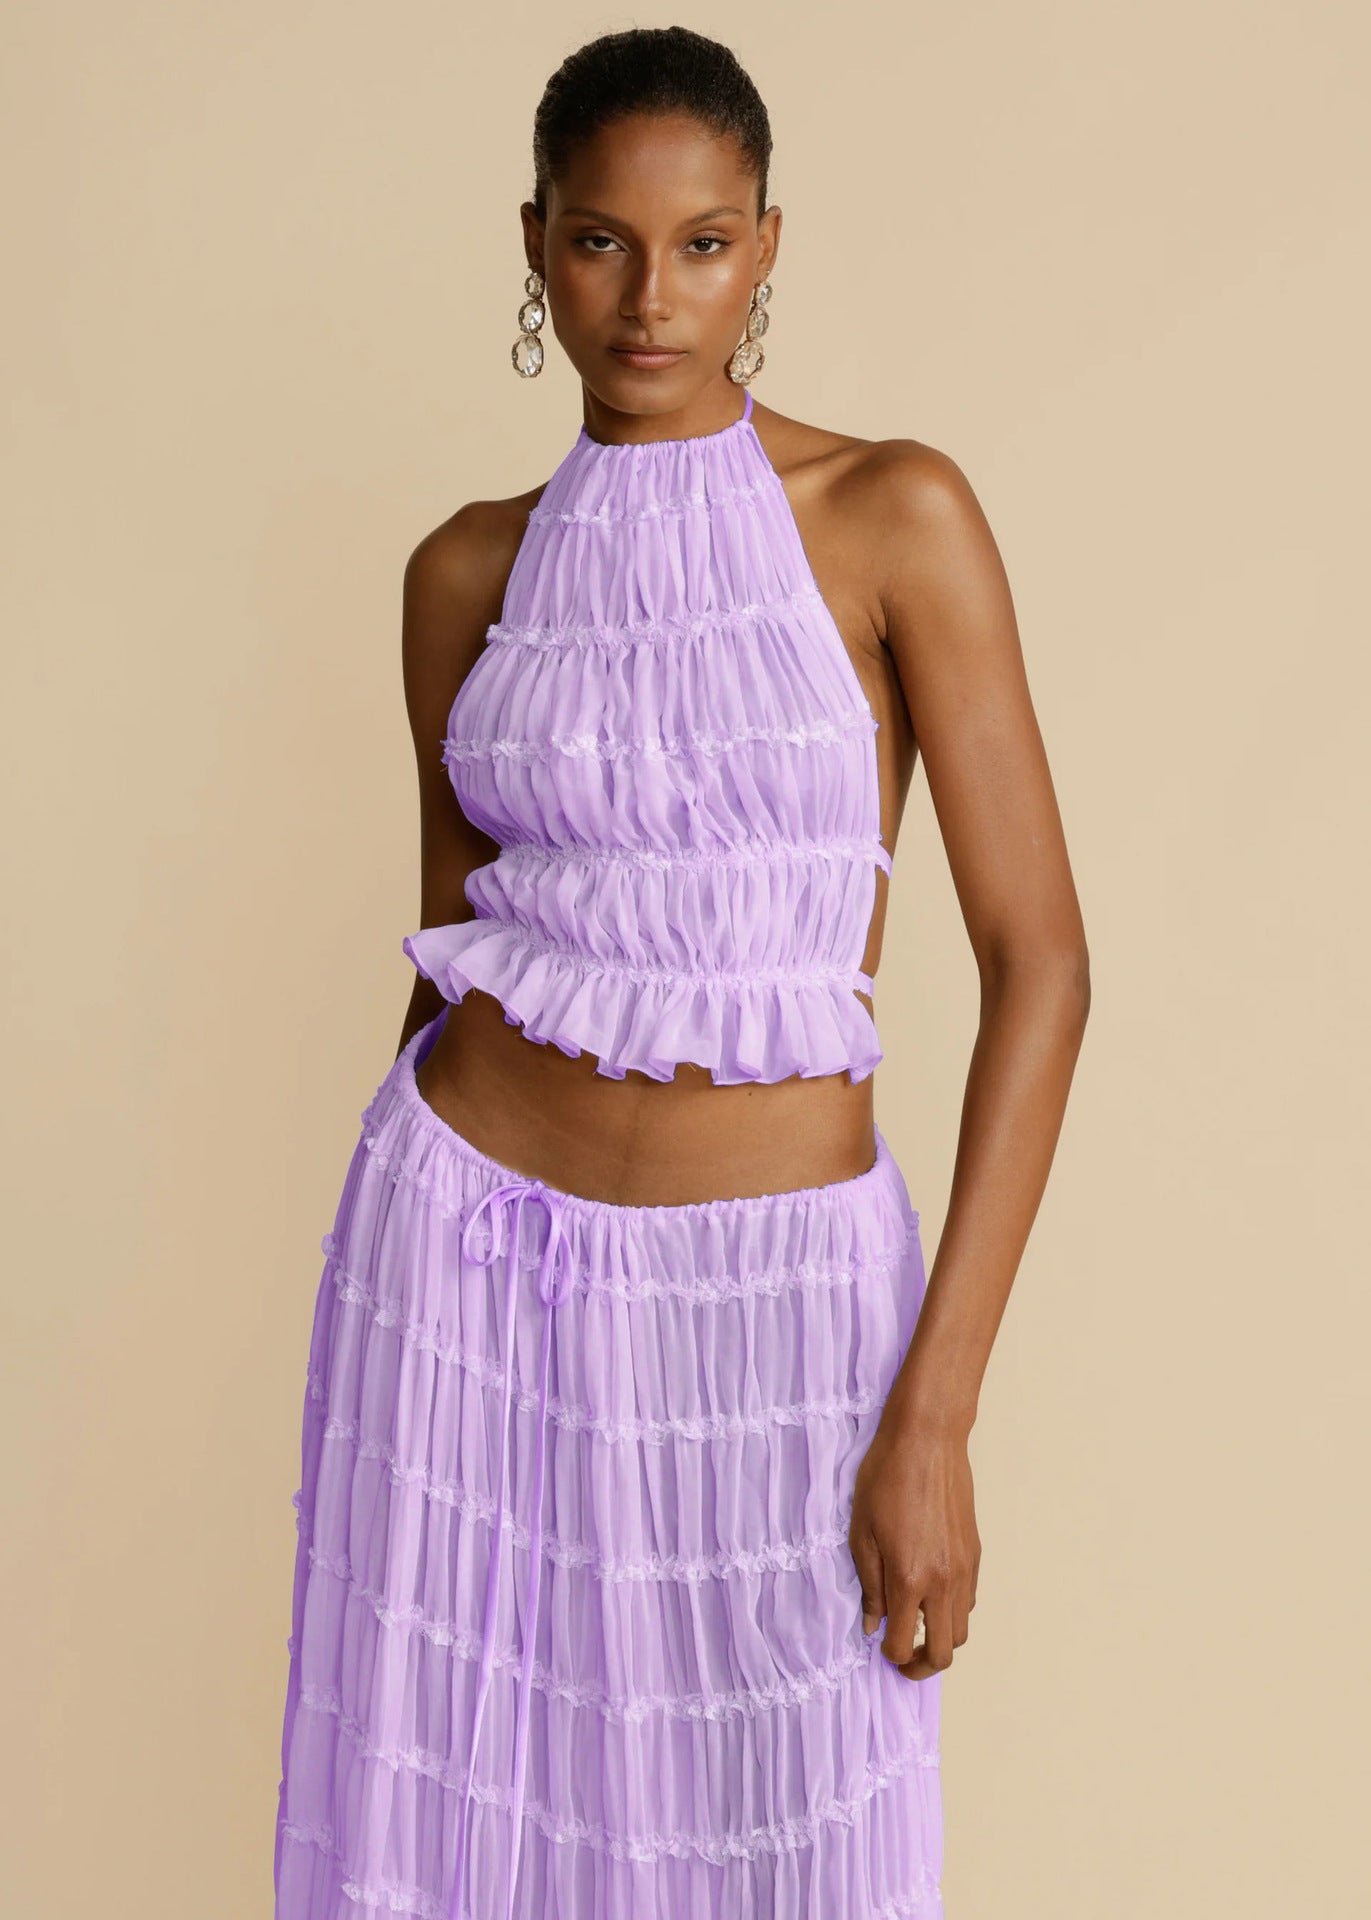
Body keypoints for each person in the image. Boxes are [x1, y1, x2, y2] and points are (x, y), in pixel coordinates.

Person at [273, 25, 1090, 1920]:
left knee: (797, 1841)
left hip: (782, 1311)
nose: (651, 299)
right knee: (454, 1844)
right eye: (601, 242)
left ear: (767, 246)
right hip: (461, 1284)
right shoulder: (466, 573)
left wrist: (937, 1412)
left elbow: (1041, 964)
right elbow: (453, 947)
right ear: (535, 244)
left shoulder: (893, 515)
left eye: (705, 245)